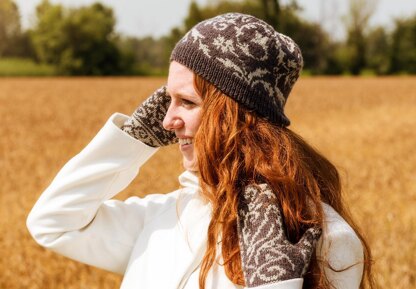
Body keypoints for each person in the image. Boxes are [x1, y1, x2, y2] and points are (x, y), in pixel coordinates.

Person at [27, 13, 373, 289]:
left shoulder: (324, 238)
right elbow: (52, 222)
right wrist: (134, 137)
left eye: (186, 101)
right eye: (167, 99)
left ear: (237, 116)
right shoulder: (168, 216)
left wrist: (276, 284)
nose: (165, 120)